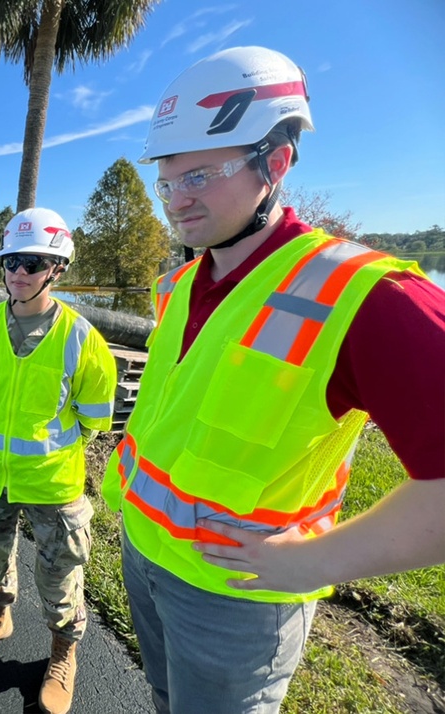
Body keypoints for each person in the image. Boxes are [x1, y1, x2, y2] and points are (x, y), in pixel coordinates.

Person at [103, 46, 445, 714]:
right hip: (143, 558)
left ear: (277, 160)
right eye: (167, 181)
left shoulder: (368, 297)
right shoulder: (180, 286)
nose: (178, 200)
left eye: (199, 174)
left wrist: (317, 564)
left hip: (235, 602)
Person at [0, 207, 118, 714]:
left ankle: (62, 653)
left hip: (52, 486)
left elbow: (93, 421)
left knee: (60, 578)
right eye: (11, 262)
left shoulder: (82, 340)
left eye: (32, 263)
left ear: (57, 268)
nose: (18, 273)